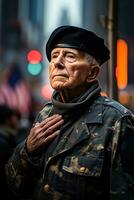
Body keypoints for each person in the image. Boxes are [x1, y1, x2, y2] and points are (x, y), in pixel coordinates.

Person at [5, 25, 134, 200]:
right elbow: (14, 186)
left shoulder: (117, 121)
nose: (57, 62)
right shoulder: (45, 114)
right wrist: (27, 151)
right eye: (54, 56)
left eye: (69, 57)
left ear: (92, 73)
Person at [0, 104, 20, 199]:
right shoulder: (4, 144)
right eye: (14, 117)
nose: (16, 120)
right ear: (7, 120)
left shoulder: (7, 138)